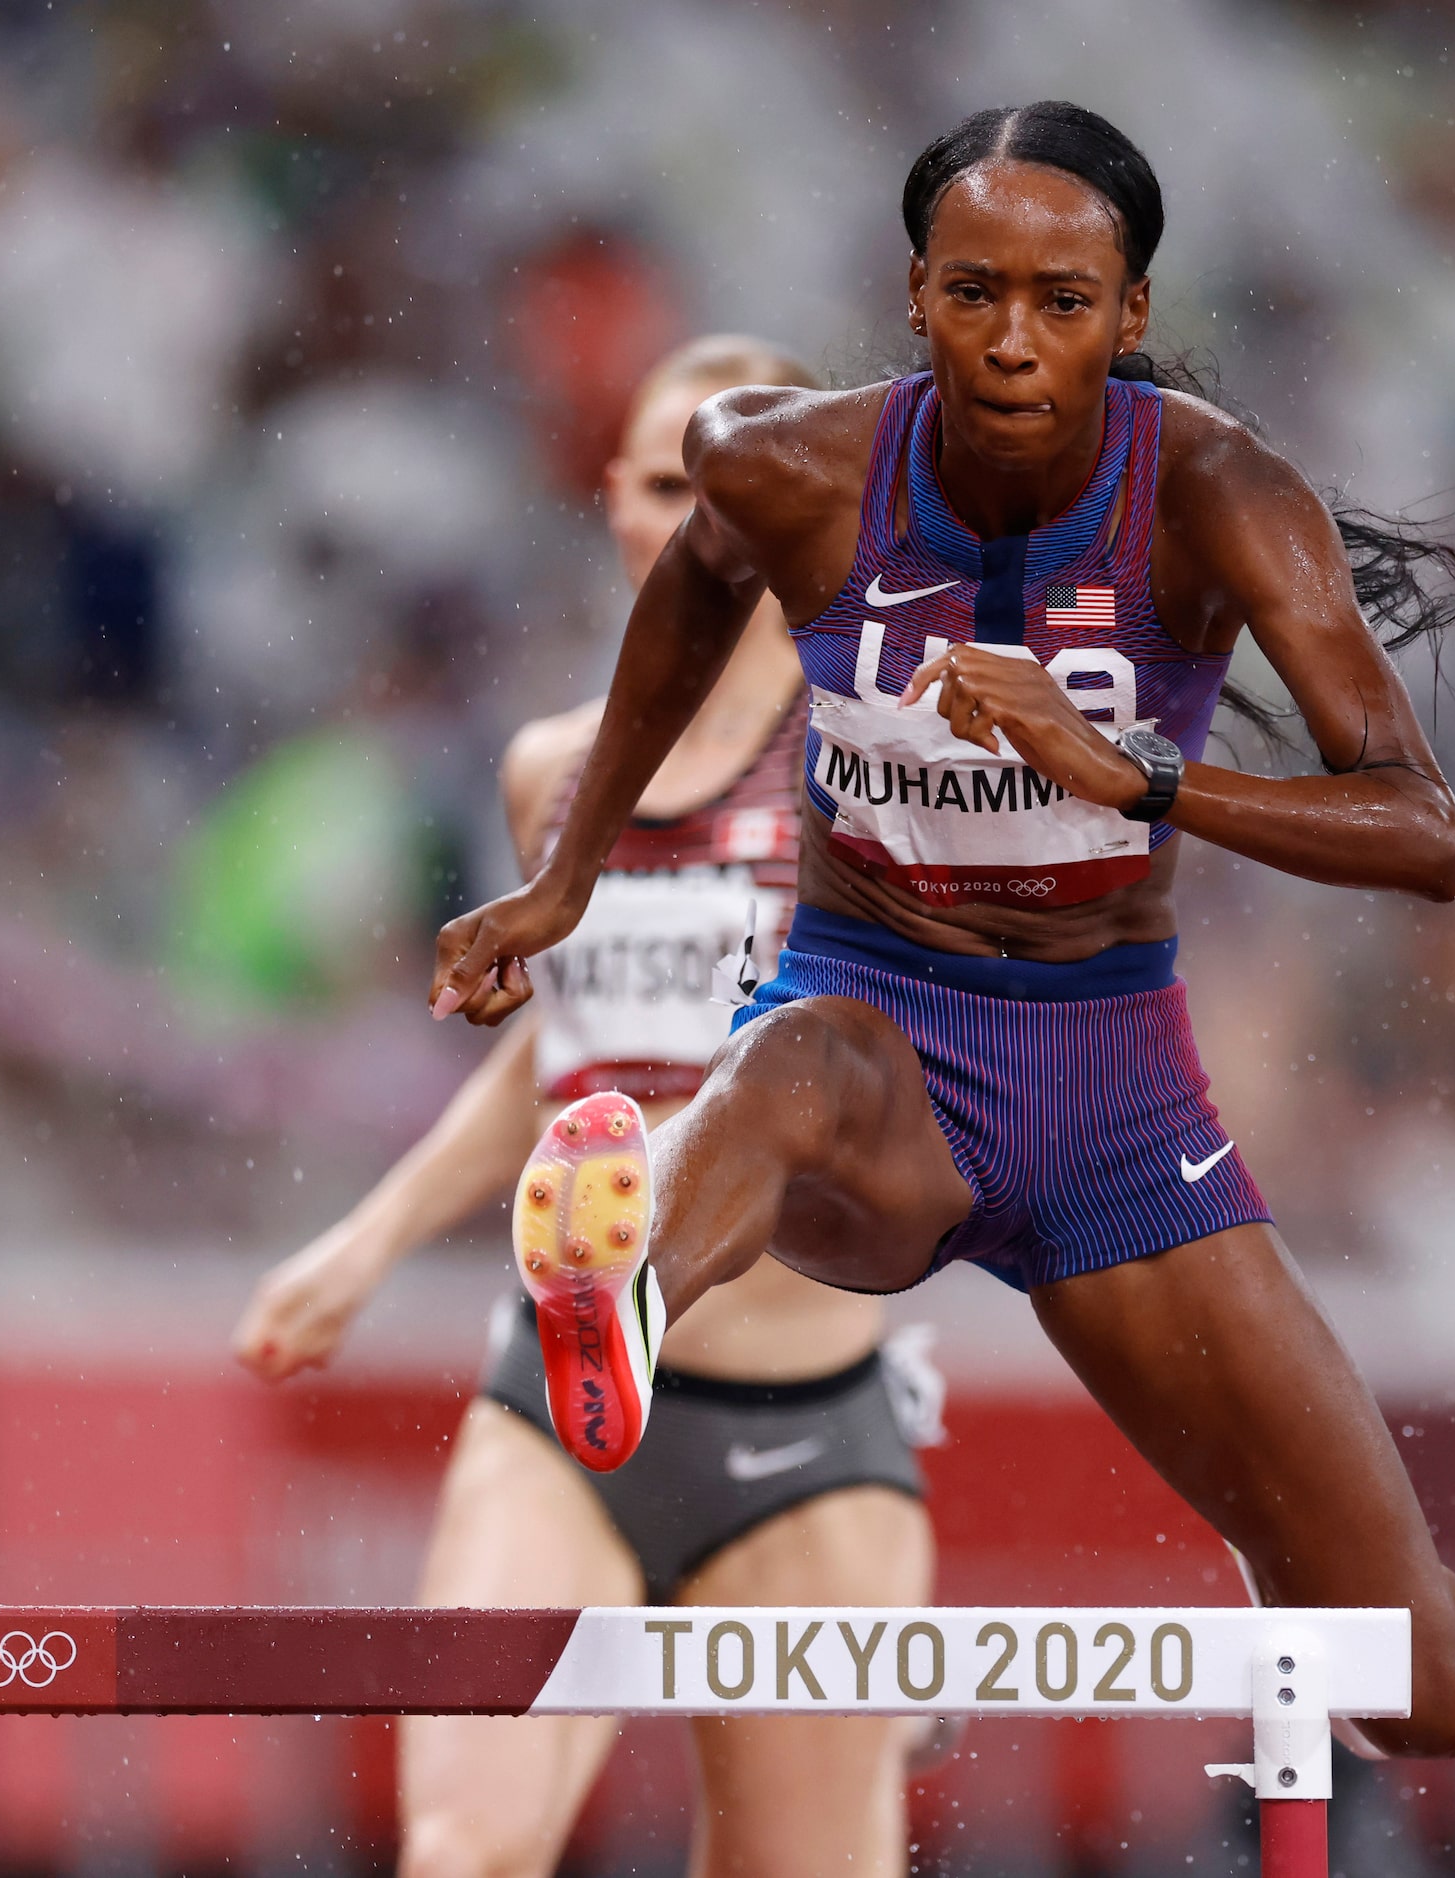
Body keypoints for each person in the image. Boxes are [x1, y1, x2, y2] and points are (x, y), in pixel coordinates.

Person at [431, 102, 1455, 1761]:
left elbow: (1424, 831)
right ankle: (621, 1298)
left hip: (1118, 1094)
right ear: (912, 295)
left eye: (1064, 304)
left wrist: (1133, 774)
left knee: (1417, 1686)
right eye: (973, 293)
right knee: (788, 1061)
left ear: (1130, 318)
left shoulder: (1217, 493)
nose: (1013, 343)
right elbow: (693, 587)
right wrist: (568, 875)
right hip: (878, 1032)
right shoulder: (793, 464)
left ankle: (1269, 1545)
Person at [236, 336, 940, 1878]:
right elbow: (541, 1059)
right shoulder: (551, 773)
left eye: (732, 478)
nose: (697, 514)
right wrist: (364, 1242)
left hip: (804, 1423)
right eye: (659, 481)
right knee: (462, 1856)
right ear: (613, 502)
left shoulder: (873, 778)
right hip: (561, 1416)